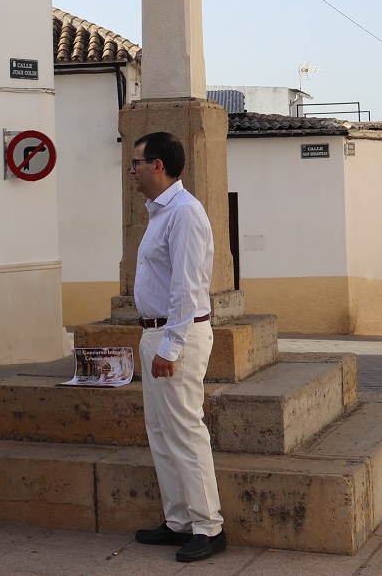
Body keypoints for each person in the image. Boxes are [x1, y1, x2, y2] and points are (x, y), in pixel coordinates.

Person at [129, 131, 226, 563]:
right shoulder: (160, 213)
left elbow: (188, 286)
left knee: (185, 431)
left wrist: (170, 345)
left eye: (136, 162)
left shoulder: (184, 213)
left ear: (158, 166)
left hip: (176, 335)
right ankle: (178, 521)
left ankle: (209, 525)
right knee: (161, 431)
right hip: (156, 333)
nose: (131, 169)